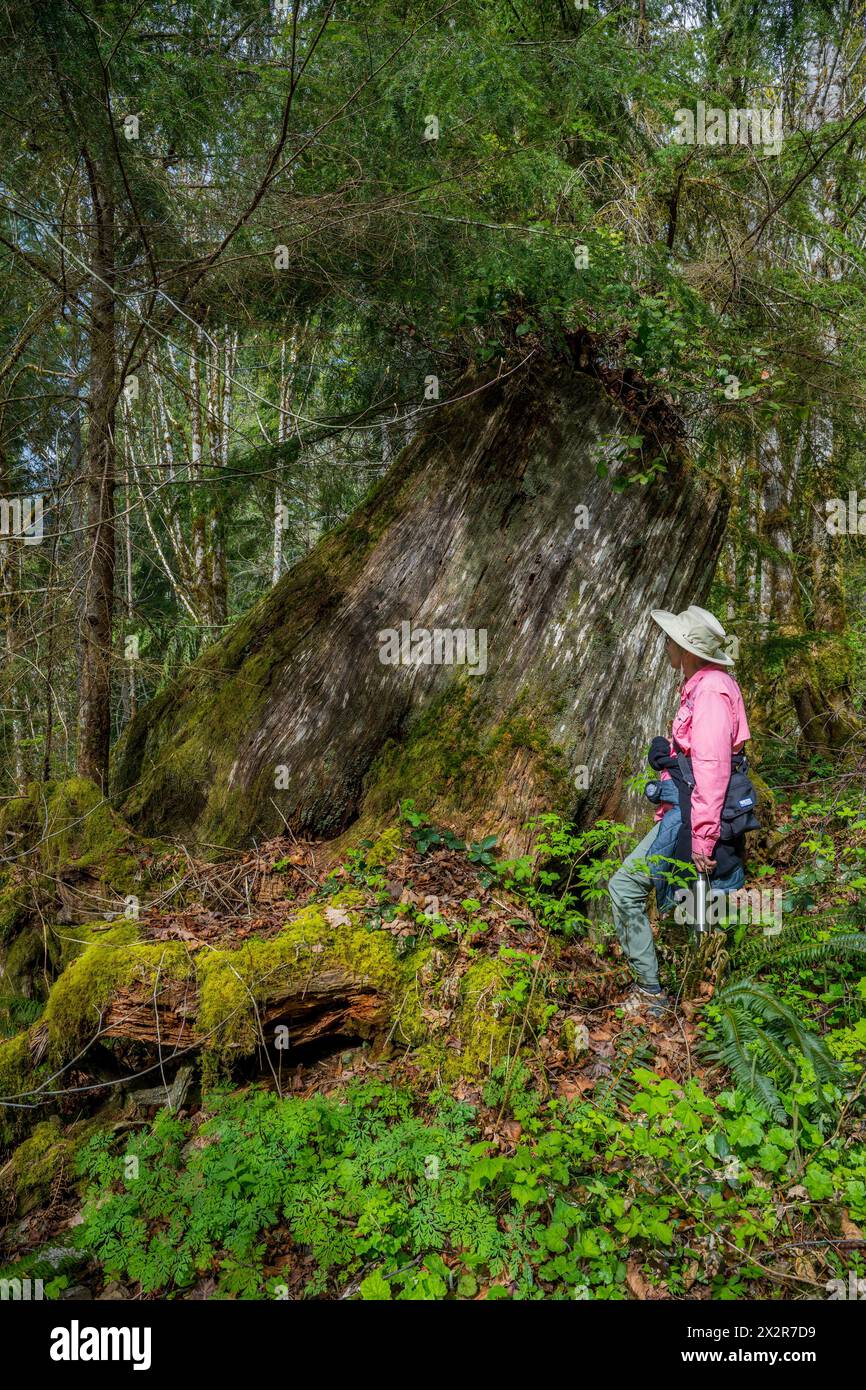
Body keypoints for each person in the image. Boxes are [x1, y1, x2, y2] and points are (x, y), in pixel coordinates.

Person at [607, 605, 751, 1017]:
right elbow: (701, 756)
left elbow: (712, 769)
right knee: (692, 904)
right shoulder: (705, 685)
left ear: (687, 649)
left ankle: (660, 999)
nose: (666, 644)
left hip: (695, 817)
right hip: (688, 811)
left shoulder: (709, 692)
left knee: (628, 889)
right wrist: (669, 756)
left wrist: (703, 839)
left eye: (672, 639)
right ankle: (699, 999)